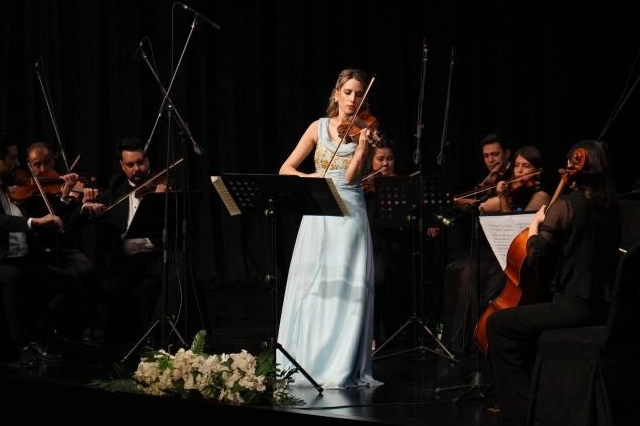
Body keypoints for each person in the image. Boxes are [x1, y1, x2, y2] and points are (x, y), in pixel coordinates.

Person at [486, 140, 621, 426]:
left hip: (573, 308)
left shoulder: (566, 207)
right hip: (605, 309)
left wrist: (536, 226)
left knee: (498, 324)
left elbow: (536, 256)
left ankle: (521, 409)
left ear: (575, 167)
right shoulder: (612, 208)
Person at [276, 68, 382, 389]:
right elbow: (286, 169)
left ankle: (340, 365)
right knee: (314, 286)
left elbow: (350, 178)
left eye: (359, 94)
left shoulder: (365, 131)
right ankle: (307, 359)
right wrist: (309, 179)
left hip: (349, 212)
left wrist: (363, 148)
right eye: (348, 92)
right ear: (336, 94)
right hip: (317, 210)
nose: (353, 99)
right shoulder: (317, 127)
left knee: (347, 288)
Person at [441, 139, 551, 357]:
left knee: (469, 273)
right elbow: (480, 206)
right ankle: (458, 340)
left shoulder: (541, 196)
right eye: (517, 165)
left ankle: (472, 342)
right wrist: (450, 200)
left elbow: (517, 226)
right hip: (503, 253)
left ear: (537, 171)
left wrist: (503, 198)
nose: (519, 171)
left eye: (526, 166)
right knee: (455, 269)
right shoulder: (514, 191)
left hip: (519, 258)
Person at [81, 137, 181, 350]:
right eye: (131, 164)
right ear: (122, 165)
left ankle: (155, 337)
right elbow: (91, 214)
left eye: (141, 162)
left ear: (148, 160)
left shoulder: (163, 184)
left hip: (156, 254)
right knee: (110, 286)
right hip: (125, 260)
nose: (137, 168)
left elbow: (176, 225)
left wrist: (160, 202)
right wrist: (88, 206)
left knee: (180, 272)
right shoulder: (115, 187)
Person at [0, 132, 80, 365]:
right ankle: (21, 345)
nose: (18, 163)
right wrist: (33, 222)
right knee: (12, 276)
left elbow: (50, 223)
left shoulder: (16, 188)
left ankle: (41, 333)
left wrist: (64, 197)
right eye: (13, 158)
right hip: (3, 261)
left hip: (24, 258)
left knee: (72, 283)